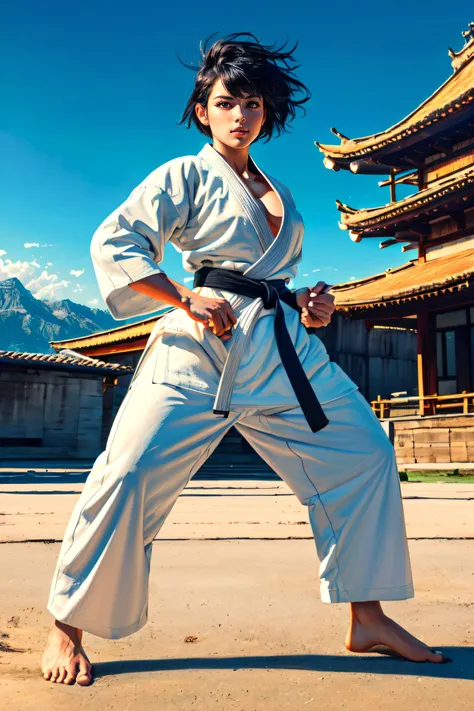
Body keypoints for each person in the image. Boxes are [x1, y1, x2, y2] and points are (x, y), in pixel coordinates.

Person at [41, 32, 445, 686]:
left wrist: (312, 309)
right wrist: (183, 296)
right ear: (204, 109)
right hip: (198, 350)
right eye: (227, 102)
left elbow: (274, 278)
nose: (240, 115)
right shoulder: (183, 175)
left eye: (253, 103)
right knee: (130, 471)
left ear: (267, 112)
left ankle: (366, 615)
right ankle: (65, 625)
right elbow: (116, 243)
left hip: (283, 349)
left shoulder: (281, 191)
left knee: (365, 451)